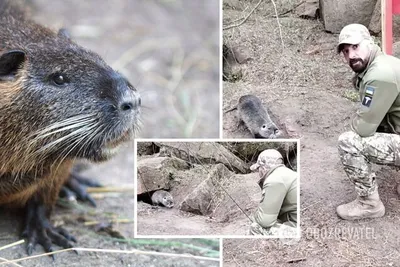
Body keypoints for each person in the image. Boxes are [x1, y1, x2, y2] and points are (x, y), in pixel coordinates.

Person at [336, 23, 400, 220]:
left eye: (355, 47)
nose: (351, 55)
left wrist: (359, 119)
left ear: (370, 43)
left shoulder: (379, 75)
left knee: (349, 142)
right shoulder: (387, 62)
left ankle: (369, 204)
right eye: (346, 51)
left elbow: (363, 128)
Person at [248, 149, 298, 236]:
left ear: (263, 168)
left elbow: (265, 221)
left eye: (258, 168)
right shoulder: (289, 174)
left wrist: (254, 217)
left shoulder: (274, 180)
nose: (258, 172)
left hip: (297, 229)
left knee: (255, 227)